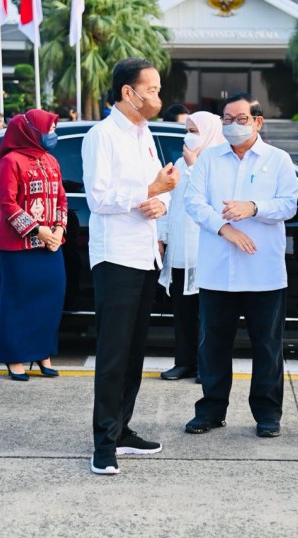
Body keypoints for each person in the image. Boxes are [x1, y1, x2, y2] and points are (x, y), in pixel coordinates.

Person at [82, 58, 179, 475]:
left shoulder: (145, 134)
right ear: (128, 92)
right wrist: (151, 189)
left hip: (144, 255)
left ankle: (122, 430)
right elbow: (98, 199)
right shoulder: (101, 135)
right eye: (152, 90)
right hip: (116, 256)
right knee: (114, 352)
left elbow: (162, 189)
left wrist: (162, 199)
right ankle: (103, 443)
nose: (158, 97)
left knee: (136, 349)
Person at [184, 92, 298, 438]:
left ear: (258, 121)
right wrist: (225, 229)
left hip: (263, 271)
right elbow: (193, 201)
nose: (232, 125)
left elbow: (288, 205)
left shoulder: (278, 159)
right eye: (227, 119)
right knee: (213, 345)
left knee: (266, 347)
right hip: (217, 270)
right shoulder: (209, 159)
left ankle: (267, 414)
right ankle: (212, 410)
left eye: (241, 119)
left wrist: (254, 207)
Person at [0, 109, 67, 381]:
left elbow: (61, 199)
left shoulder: (51, 160)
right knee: (19, 300)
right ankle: (15, 357)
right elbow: (7, 202)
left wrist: (58, 228)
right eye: (49, 130)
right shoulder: (11, 161)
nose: (53, 135)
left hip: (50, 245)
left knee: (52, 296)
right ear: (32, 132)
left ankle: (43, 353)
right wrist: (37, 230)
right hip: (17, 246)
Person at [158, 111, 225, 382]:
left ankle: (204, 365)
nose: (189, 135)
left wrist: (195, 164)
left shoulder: (218, 161)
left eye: (195, 130)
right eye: (187, 129)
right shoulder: (179, 163)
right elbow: (169, 202)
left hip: (205, 251)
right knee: (182, 311)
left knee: (207, 314)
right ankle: (184, 361)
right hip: (180, 249)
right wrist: (162, 238)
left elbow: (214, 199)